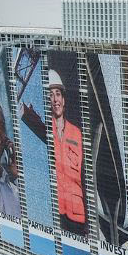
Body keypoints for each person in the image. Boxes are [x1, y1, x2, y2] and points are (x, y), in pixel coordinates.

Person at [46, 66, 88, 237]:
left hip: (77, 214)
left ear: (63, 99)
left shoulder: (76, 133)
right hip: (56, 210)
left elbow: (84, 174)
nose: (55, 99)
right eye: (51, 95)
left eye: (58, 94)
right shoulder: (45, 129)